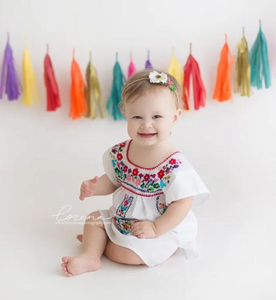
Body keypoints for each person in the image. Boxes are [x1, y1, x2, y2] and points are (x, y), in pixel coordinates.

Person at [61, 69, 211, 277]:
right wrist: (94, 188)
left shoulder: (175, 165)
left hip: (157, 226)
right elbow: (115, 181)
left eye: (157, 116)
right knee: (94, 218)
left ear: (175, 117)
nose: (146, 124)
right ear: (125, 114)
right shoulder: (123, 152)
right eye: (137, 116)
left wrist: (156, 228)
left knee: (129, 255)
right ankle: (91, 255)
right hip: (123, 218)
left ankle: (102, 244)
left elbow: (183, 203)